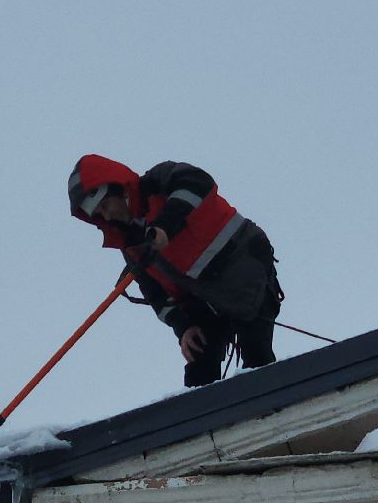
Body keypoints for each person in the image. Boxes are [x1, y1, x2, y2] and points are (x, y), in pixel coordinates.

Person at [68, 154, 282, 387]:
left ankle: (273, 403)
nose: (107, 216)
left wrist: (164, 227)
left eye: (105, 205)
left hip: (243, 264)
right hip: (203, 299)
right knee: (199, 373)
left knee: (256, 357)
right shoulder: (129, 241)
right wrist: (183, 327)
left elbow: (198, 182)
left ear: (120, 189)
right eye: (99, 214)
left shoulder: (159, 180)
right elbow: (155, 293)